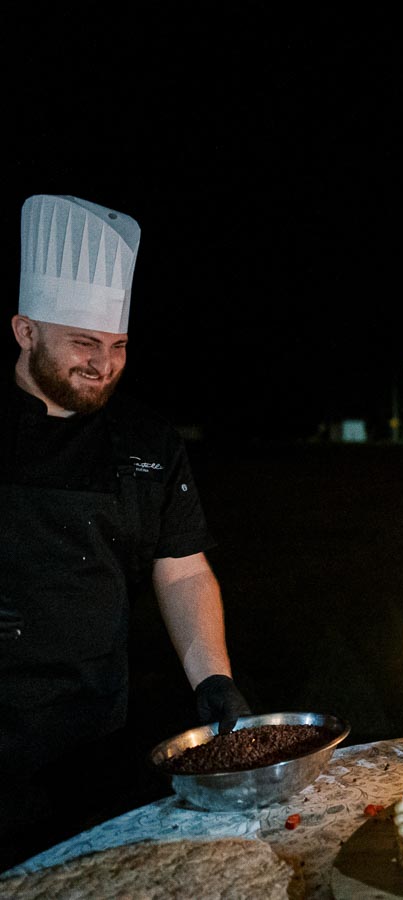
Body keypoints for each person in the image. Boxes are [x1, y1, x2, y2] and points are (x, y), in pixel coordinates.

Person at [1, 195, 249, 868]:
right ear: (25, 330)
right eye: (82, 344)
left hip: (94, 727)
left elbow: (183, 567)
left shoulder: (146, 440)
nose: (102, 365)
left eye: (117, 347)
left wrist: (212, 679)